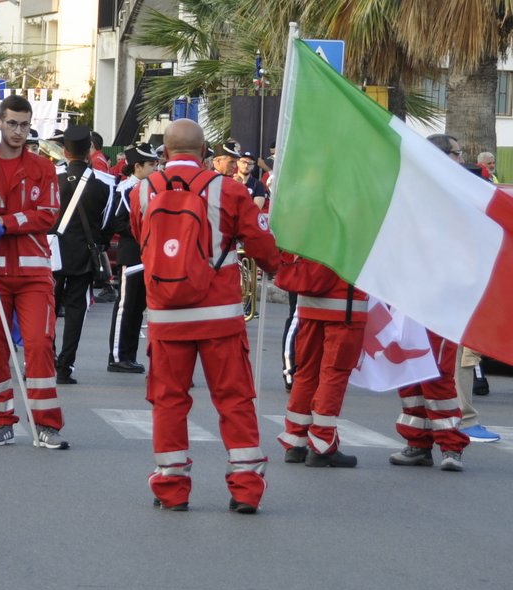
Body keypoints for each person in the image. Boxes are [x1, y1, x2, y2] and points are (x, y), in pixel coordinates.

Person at [128, 119, 281, 512]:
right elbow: (261, 246)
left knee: (168, 401)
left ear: (164, 153)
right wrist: (276, 265)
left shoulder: (142, 192)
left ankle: (171, 486)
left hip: (165, 316)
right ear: (205, 152)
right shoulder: (228, 189)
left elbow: (142, 239)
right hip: (219, 315)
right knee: (234, 399)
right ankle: (246, 485)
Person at [0, 95, 66, 448]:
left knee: (39, 345)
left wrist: (6, 222)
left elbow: (48, 214)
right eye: (11, 123)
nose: (17, 131)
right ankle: (0, 420)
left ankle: (46, 424)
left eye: (24, 125)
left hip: (33, 274)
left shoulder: (43, 168)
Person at [389, 133, 473, 472]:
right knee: (410, 369)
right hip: (409, 293)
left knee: (437, 373)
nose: (459, 158)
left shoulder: (460, 193)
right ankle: (417, 442)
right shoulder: (411, 190)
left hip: (441, 297)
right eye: (456, 152)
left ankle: (451, 447)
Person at [275, 256, 366, 467]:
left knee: (306, 372)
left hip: (308, 299)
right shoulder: (357, 220)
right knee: (333, 373)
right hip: (345, 303)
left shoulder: (305, 220)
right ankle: (323, 443)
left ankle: (295, 440)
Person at [52, 124, 113, 385]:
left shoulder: (51, 177)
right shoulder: (105, 184)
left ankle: (42, 360)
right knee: (76, 309)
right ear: (89, 150)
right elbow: (106, 224)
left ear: (64, 151)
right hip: (84, 254)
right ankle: (65, 366)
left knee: (45, 310)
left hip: (51, 251)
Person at [106, 142, 159, 373]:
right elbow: (117, 222)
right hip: (132, 254)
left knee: (138, 307)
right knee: (125, 306)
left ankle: (130, 355)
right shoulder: (126, 189)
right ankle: (117, 356)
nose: (155, 169)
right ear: (137, 166)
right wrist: (146, 229)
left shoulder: (152, 188)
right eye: (151, 165)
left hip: (148, 254)